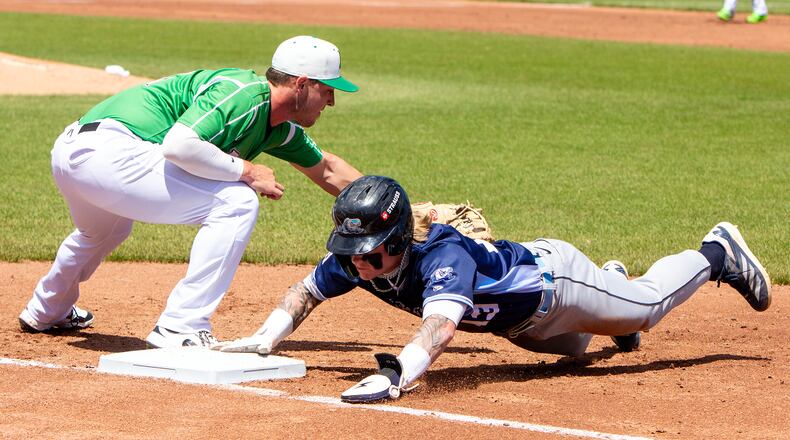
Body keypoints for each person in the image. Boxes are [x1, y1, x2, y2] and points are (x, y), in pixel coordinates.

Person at [214, 175, 772, 403]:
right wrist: (264, 339)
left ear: (398, 238)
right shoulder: (360, 261)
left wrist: (396, 377)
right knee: (576, 351)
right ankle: (614, 292)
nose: (359, 265)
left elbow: (440, 327)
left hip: (556, 287)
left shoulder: (443, 256)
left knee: (645, 310)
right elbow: (305, 292)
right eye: (351, 252)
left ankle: (716, 252)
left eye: (370, 251)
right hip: (518, 326)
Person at [18, 36, 364, 348]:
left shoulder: (274, 126)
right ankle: (181, 325)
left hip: (76, 154)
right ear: (302, 84)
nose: (332, 101)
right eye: (327, 89)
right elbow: (179, 146)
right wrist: (248, 170)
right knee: (236, 201)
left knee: (104, 229)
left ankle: (47, 309)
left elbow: (328, 169)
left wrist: (395, 210)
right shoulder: (244, 95)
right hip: (110, 152)